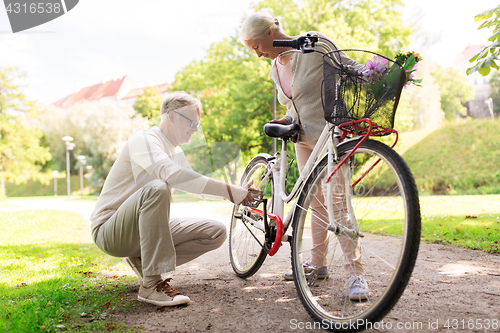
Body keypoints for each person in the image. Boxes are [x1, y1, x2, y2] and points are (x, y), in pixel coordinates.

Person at [240, 12, 369, 300]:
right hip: (302, 141)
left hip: (332, 138)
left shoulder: (313, 44)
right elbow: (294, 105)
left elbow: (351, 68)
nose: (257, 54)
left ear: (270, 33)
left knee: (338, 206)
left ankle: (356, 275)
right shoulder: (275, 65)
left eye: (256, 46)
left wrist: (380, 73)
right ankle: (318, 264)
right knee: (315, 204)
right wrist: (286, 120)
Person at [90, 91, 255, 307]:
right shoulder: (145, 140)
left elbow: (198, 189)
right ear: (171, 115)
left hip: (140, 232)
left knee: (216, 232)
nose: (196, 129)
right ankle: (150, 285)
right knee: (158, 187)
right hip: (110, 231)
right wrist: (231, 191)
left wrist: (235, 194)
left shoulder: (175, 152)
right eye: (192, 122)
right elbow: (170, 174)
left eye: (198, 124)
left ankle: (145, 262)